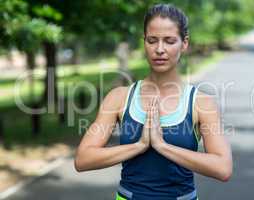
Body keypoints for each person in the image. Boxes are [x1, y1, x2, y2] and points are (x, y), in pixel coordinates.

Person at [74, 3, 232, 200]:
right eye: (152, 40)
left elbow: (223, 167)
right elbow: (83, 159)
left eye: (169, 41)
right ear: (144, 42)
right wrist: (139, 145)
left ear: (184, 43)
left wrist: (162, 146)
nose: (159, 49)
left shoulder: (200, 103)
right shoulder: (120, 97)